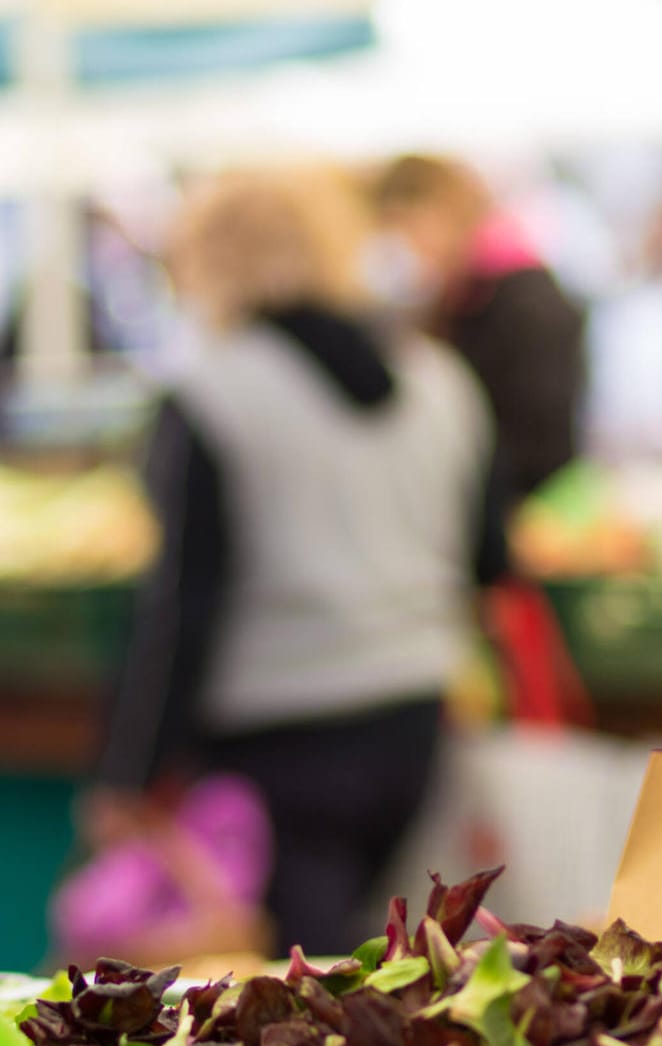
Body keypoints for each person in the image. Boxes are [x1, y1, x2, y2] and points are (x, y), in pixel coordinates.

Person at [87, 166, 508, 956]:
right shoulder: (442, 380)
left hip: (276, 750)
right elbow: (490, 561)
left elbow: (183, 603)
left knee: (292, 998)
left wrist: (130, 773)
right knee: (391, 974)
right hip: (419, 727)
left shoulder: (210, 393)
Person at [370, 155, 585, 505]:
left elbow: (538, 443)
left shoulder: (521, 304)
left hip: (527, 511)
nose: (405, 247)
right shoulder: (457, 297)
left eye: (408, 226)